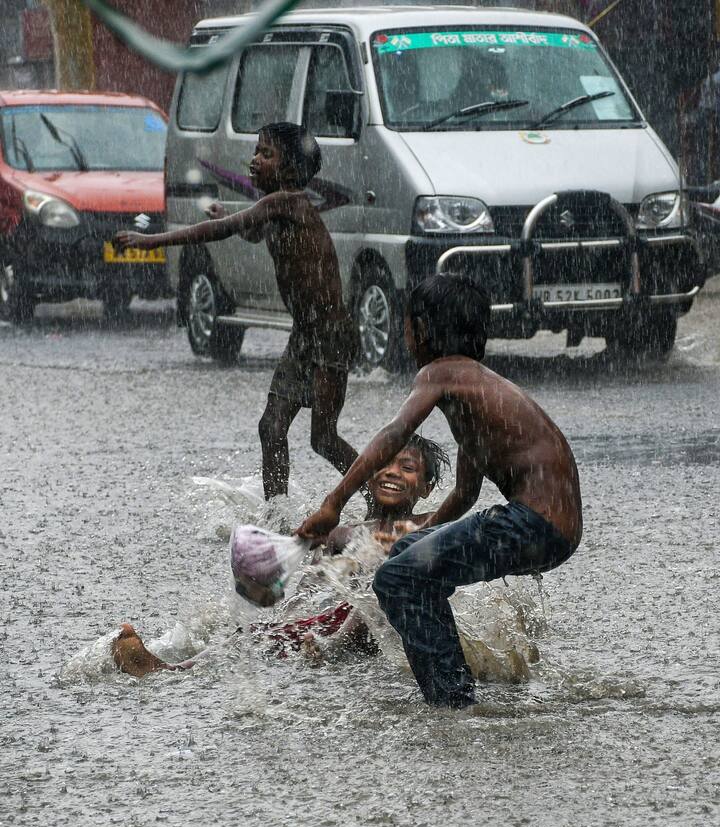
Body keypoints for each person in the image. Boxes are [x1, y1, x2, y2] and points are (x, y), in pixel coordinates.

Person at [297, 273, 583, 710]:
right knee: (406, 556)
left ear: (423, 330)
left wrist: (333, 503)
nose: (404, 335)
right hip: (554, 533)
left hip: (532, 522)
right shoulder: (478, 394)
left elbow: (396, 432)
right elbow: (465, 495)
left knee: (397, 579)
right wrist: (423, 529)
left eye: (407, 325)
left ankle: (453, 700)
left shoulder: (441, 371)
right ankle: (451, 676)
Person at [114, 122, 359, 500]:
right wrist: (224, 214)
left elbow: (223, 232)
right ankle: (276, 515)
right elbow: (250, 232)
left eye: (266, 154)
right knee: (271, 427)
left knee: (323, 438)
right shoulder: (277, 207)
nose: (254, 160)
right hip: (306, 333)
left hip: (330, 333)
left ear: (291, 169)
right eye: (256, 151)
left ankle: (377, 494)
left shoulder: (287, 201)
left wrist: (152, 241)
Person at [112, 435, 450, 677]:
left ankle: (328, 647)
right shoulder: (342, 532)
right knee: (250, 634)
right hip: (329, 620)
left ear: (426, 488)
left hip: (381, 623)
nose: (391, 472)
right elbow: (311, 583)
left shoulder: (427, 524)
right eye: (383, 463)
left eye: (406, 468)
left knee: (372, 597)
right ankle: (170, 671)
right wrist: (286, 616)